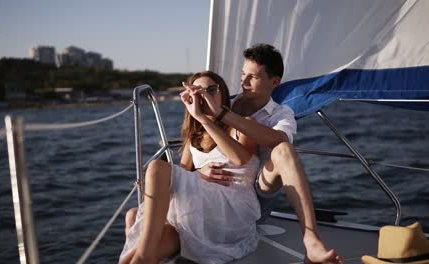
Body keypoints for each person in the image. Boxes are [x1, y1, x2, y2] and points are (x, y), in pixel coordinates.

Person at [187, 43, 344, 264]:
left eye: (253, 77)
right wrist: (200, 171)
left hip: (257, 193)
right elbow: (194, 146)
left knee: (283, 150)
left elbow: (278, 140)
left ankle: (311, 240)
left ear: (274, 82)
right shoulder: (224, 102)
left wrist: (222, 114)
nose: (244, 82)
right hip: (218, 193)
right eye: (243, 74)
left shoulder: (281, 114)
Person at [119, 71, 262, 264]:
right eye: (197, 92)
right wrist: (200, 173)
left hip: (232, 211)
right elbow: (183, 174)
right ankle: (145, 257)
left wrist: (203, 118)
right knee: (134, 217)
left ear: (223, 92)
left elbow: (239, 158)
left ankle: (146, 255)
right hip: (200, 209)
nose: (204, 96)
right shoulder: (195, 135)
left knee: (156, 168)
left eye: (211, 90)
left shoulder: (243, 125)